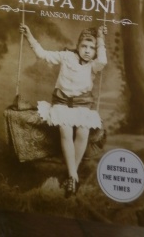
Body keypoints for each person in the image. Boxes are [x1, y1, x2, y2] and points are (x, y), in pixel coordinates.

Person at [19, 23, 107, 196]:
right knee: (65, 130)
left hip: (82, 106)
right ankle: (73, 177)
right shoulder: (66, 56)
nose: (87, 51)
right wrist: (29, 36)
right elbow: (42, 54)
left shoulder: (94, 65)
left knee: (83, 132)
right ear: (78, 45)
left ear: (96, 51)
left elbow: (103, 60)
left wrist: (101, 38)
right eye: (84, 46)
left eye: (92, 48)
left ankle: (70, 175)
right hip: (62, 104)